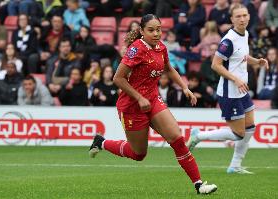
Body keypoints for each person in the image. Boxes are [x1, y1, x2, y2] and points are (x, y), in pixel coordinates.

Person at [89, 14, 217, 195]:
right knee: (138, 154)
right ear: (141, 31)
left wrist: (185, 87)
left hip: (153, 100)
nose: (156, 33)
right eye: (151, 30)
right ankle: (102, 143)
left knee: (177, 139)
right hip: (132, 106)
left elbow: (169, 68)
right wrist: (139, 98)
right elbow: (117, 78)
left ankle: (199, 185)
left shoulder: (161, 47)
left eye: (159, 29)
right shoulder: (135, 50)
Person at [186, 4, 269, 174]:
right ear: (231, 19)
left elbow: (242, 57)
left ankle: (235, 166)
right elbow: (216, 65)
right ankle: (198, 136)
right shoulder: (228, 40)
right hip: (229, 92)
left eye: (245, 15)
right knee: (239, 133)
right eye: (238, 16)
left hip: (241, 89)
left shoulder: (245, 34)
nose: (242, 19)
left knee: (250, 127)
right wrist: (235, 79)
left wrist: (256, 61)